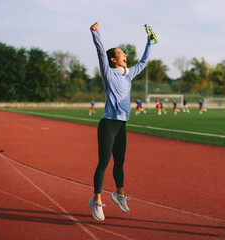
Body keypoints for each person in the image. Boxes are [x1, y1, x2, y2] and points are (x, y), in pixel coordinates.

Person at [89, 22, 154, 221]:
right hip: (108, 123)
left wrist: (149, 43)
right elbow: (100, 52)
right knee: (104, 162)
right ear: (113, 59)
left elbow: (143, 63)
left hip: (122, 125)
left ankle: (119, 194)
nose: (125, 55)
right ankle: (97, 201)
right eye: (121, 53)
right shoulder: (108, 74)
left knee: (120, 163)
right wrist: (96, 32)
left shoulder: (128, 75)